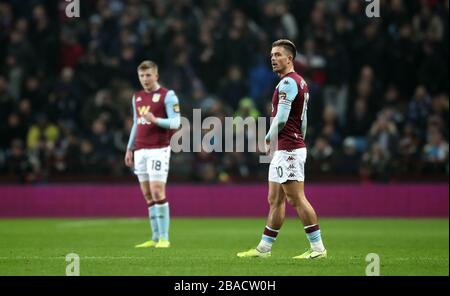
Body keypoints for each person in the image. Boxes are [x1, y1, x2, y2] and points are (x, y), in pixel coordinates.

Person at [237, 39, 327, 259]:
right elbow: (303, 120)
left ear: (290, 58)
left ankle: (318, 248)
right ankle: (264, 249)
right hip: (286, 147)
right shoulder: (300, 83)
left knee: (296, 199)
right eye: (271, 55)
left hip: (287, 149)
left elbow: (281, 119)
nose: (273, 59)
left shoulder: (288, 83)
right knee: (274, 199)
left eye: (278, 55)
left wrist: (267, 140)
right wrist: (296, 141)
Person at [125, 60, 181, 248]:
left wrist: (155, 120)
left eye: (148, 75)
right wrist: (129, 147)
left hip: (159, 148)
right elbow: (136, 122)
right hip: (140, 150)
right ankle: (155, 237)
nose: (145, 79)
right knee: (148, 194)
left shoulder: (168, 95)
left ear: (156, 76)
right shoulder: (137, 97)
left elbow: (175, 123)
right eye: (141, 76)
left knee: (158, 191)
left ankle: (165, 237)